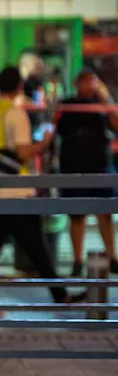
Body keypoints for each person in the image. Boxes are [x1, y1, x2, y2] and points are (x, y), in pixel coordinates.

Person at [0, 66, 84, 304]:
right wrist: (44, 142)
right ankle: (60, 295)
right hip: (16, 192)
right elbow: (23, 152)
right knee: (37, 248)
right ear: (19, 87)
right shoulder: (15, 114)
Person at [55, 69, 118, 276]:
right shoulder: (68, 104)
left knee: (104, 213)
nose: (89, 86)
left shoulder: (103, 105)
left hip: (100, 166)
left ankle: (112, 257)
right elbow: (55, 128)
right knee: (76, 215)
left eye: (92, 82)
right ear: (76, 83)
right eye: (85, 82)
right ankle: (77, 260)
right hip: (73, 166)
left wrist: (105, 98)